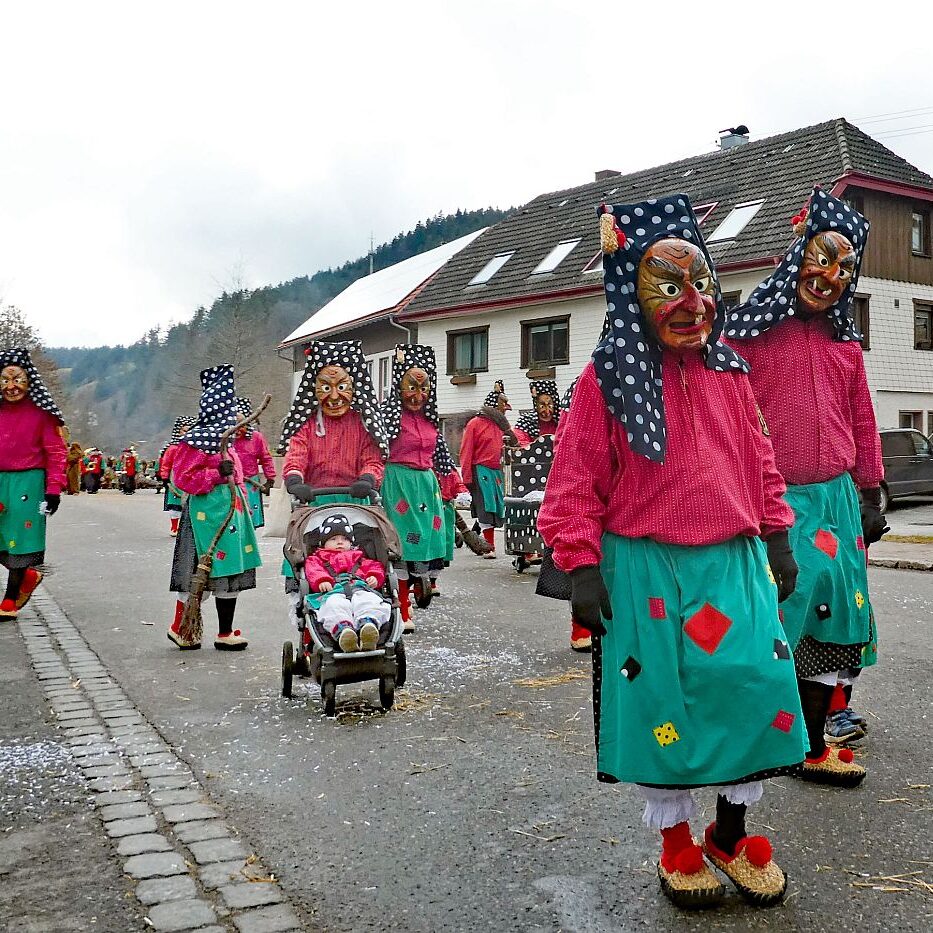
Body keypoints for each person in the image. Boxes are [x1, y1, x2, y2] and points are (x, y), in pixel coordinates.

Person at [538, 197, 807, 910]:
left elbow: (761, 460)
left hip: (734, 561)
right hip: (646, 567)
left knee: (750, 683)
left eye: (702, 282)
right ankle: (676, 840)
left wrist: (777, 533)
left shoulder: (731, 374)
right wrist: (581, 565)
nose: (694, 302)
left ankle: (730, 829)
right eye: (669, 286)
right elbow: (573, 480)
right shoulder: (605, 380)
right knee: (666, 703)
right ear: (631, 293)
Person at [725, 188, 883, 786]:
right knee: (779, 615)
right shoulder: (750, 335)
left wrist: (870, 492)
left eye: (847, 266)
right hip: (778, 500)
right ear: (799, 254)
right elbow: (730, 414)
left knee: (835, 615)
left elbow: (862, 417)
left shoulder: (845, 344)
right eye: (824, 256)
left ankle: (817, 742)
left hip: (839, 499)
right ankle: (772, 734)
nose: (833, 275)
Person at [167, 365, 261, 652]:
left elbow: (238, 478)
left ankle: (224, 631)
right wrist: (215, 476)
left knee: (229, 573)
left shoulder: (229, 443)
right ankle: (182, 627)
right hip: (203, 518)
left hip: (232, 514)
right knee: (197, 573)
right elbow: (182, 479)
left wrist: (243, 505)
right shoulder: (194, 442)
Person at [379, 344, 451, 630]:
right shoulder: (388, 415)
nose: (418, 395)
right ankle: (403, 612)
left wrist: (449, 479)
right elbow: (375, 448)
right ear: (399, 384)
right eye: (411, 386)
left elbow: (442, 454)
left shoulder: (430, 420)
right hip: (398, 483)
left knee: (422, 543)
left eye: (424, 388)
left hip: (426, 485)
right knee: (401, 545)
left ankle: (421, 587)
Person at [0, 348, 67, 621]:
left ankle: (9, 598)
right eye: (5, 380)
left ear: (29, 382)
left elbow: (57, 453)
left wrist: (53, 490)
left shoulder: (41, 414)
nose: (12, 387)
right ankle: (28, 575)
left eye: (17, 380)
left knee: (22, 542)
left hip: (28, 483)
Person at [304, 514, 391, 652]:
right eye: (333, 539)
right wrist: (322, 580)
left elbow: (375, 566)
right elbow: (313, 570)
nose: (340, 542)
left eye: (344, 539)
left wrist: (374, 576)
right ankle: (344, 632)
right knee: (333, 606)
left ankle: (368, 626)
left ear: (351, 542)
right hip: (333, 591)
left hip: (360, 588)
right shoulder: (317, 559)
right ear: (323, 543)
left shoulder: (359, 557)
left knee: (369, 601)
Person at [458, 380, 517, 558]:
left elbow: (512, 446)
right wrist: (467, 476)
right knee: (486, 507)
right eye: (502, 405)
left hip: (496, 472)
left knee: (495, 508)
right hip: (480, 471)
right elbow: (466, 451)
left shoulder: (502, 426)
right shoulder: (475, 424)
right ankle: (489, 546)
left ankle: (476, 537)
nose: (505, 408)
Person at [232, 397, 276, 529]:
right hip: (230, 482)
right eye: (235, 424)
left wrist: (270, 480)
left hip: (251, 482)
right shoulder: (225, 439)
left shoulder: (256, 438)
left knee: (250, 518)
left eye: (242, 424)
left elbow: (266, 458)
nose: (238, 429)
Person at [160, 416, 196, 536]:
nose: (186, 433)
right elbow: (166, 464)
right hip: (175, 478)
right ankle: (174, 527)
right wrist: (165, 478)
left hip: (191, 477)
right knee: (175, 505)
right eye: (184, 430)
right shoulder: (173, 448)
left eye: (189, 430)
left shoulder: (195, 447)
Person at [512, 379, 561, 447]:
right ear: (536, 405)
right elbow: (520, 444)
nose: (547, 411)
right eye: (542, 406)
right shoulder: (525, 422)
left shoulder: (563, 421)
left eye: (550, 406)